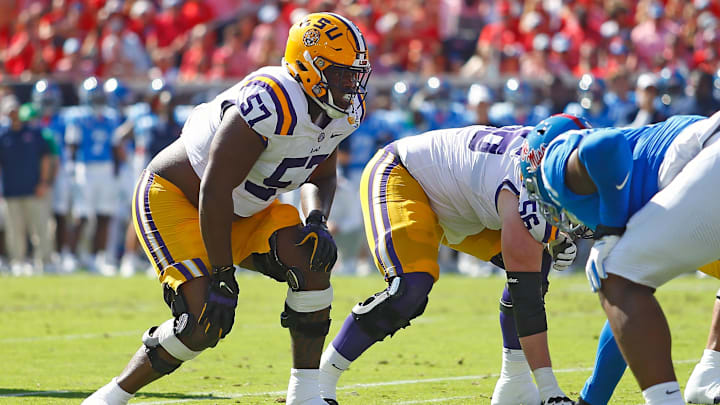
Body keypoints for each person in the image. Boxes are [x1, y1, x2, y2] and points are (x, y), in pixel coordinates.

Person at [82, 12, 371, 405]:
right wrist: (222, 273)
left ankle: (304, 395)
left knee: (311, 257)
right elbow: (214, 190)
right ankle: (111, 396)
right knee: (204, 323)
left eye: (354, 74)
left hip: (247, 206)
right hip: (178, 198)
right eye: (340, 74)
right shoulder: (271, 102)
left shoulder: (343, 111)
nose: (350, 84)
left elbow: (321, 174)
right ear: (308, 67)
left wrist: (317, 220)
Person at [317, 118, 585, 405]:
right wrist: (551, 392)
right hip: (404, 176)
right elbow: (526, 296)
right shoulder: (520, 183)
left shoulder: (535, 166)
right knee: (410, 288)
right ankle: (320, 380)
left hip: (463, 204)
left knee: (537, 262)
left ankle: (515, 383)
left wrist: (553, 236)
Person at [519, 112, 720, 404]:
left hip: (706, 157)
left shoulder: (555, 165)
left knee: (616, 273)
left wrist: (609, 230)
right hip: (705, 149)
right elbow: (624, 323)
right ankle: (710, 372)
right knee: (623, 281)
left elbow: (605, 145)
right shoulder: (629, 162)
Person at [0, 95, 53, 275]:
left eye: (15, 111)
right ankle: (18, 261)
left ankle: (43, 261)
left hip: (33, 188)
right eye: (10, 112)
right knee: (15, 230)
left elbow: (45, 158)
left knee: (39, 228)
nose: (13, 115)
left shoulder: (34, 133)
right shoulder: (2, 134)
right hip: (11, 190)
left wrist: (44, 182)